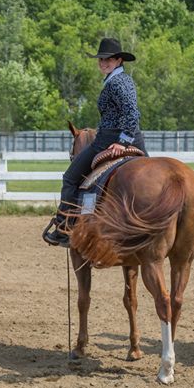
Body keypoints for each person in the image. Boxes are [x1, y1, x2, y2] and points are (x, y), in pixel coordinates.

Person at [43, 37, 147, 248]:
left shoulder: (117, 82)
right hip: (137, 139)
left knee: (71, 178)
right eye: (100, 60)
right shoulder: (119, 79)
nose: (103, 63)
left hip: (110, 139)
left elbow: (131, 113)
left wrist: (123, 141)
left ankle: (64, 227)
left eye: (108, 59)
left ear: (119, 60)